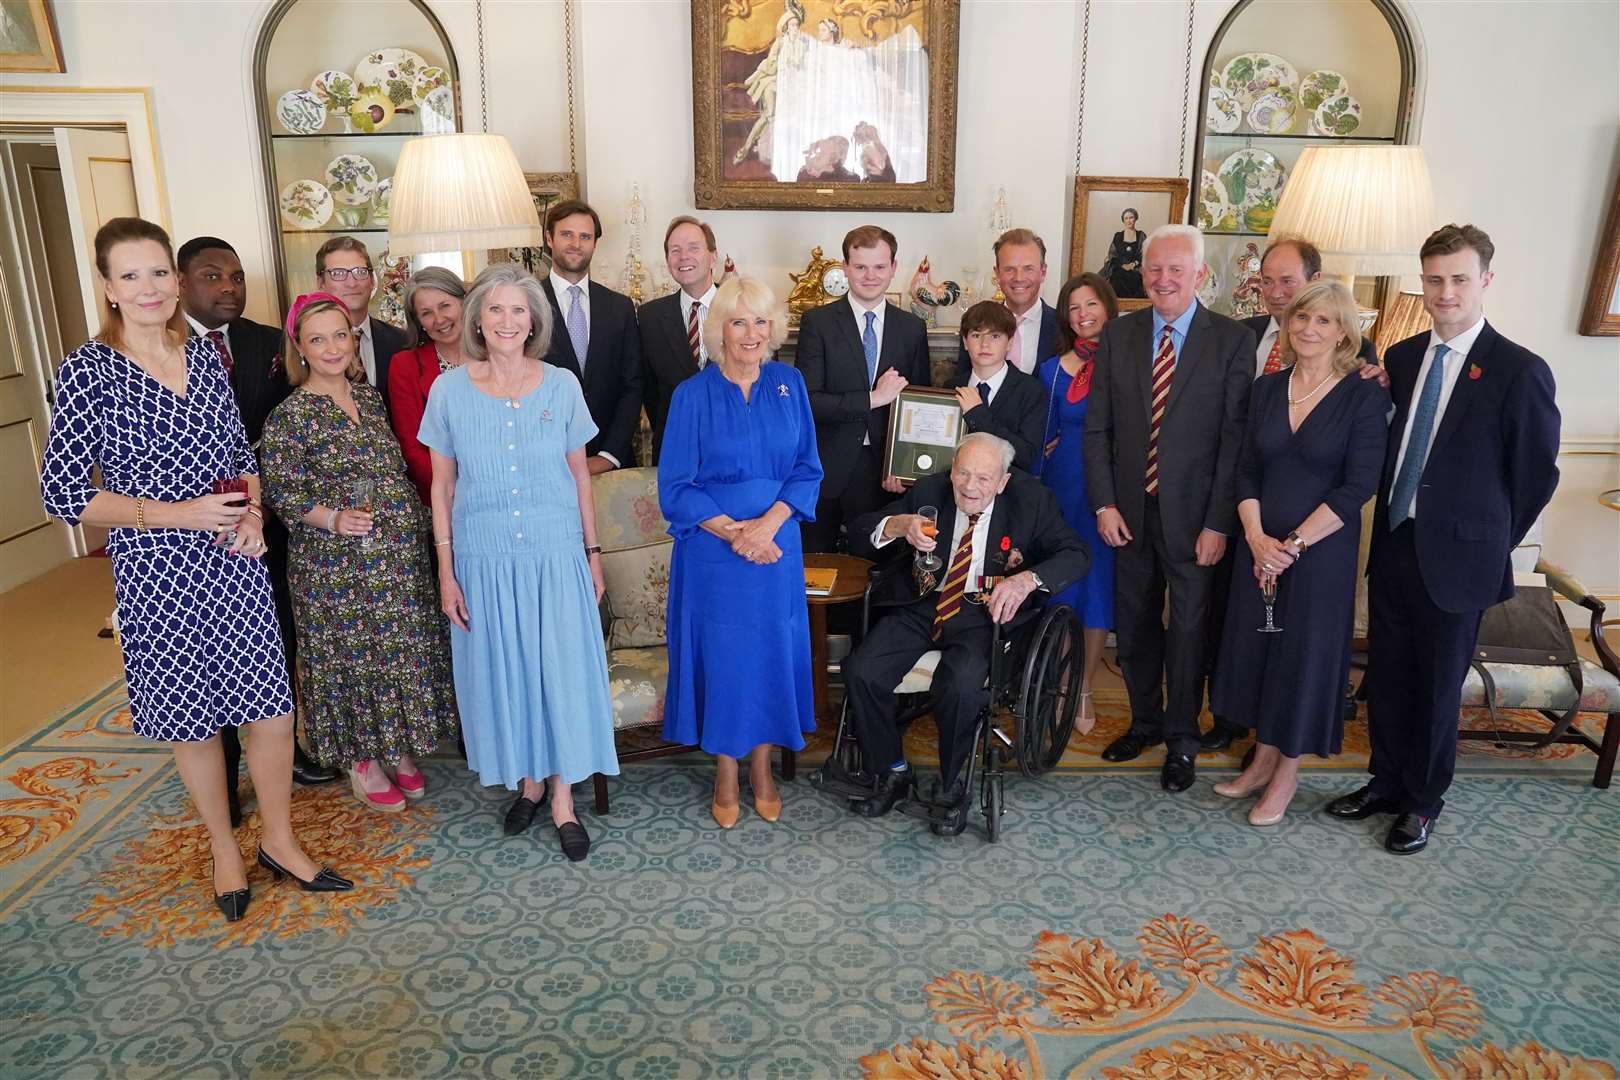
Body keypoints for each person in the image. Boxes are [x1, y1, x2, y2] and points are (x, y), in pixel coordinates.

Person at [40, 217, 349, 922]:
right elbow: (63, 493)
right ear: (109, 288)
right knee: (194, 719)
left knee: (271, 711)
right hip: (156, 572)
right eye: (131, 276)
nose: (149, 288)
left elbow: (241, 454)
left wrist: (251, 513)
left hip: (233, 562)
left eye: (158, 272)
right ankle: (224, 848)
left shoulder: (203, 355)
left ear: (175, 281)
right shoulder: (87, 370)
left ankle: (279, 839)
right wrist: (174, 514)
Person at [1327, 224, 1560, 855]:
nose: (1445, 292)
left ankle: (1423, 802)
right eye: (1434, 280)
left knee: (1436, 686)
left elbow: (1536, 476)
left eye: (1459, 279)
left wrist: (1488, 541)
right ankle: (1385, 781)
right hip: (1397, 543)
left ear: (1485, 279)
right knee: (1391, 673)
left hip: (1461, 559)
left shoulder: (1519, 370)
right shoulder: (1400, 359)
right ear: (1422, 283)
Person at [417, 263, 618, 862]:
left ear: (534, 321)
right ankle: (528, 781)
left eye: (519, 311)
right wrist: (446, 571)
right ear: (478, 318)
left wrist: (593, 552)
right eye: (496, 310)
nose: (508, 321)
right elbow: (442, 488)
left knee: (557, 670)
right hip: (484, 559)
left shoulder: (560, 384)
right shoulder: (448, 390)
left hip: (555, 556)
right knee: (509, 673)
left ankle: (561, 798)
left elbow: (580, 474)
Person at [260, 293, 459, 812]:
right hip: (335, 565)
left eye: (340, 335)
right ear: (300, 348)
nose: (331, 348)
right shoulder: (290, 415)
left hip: (396, 554)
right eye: (317, 339)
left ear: (354, 341)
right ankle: (360, 758)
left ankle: (395, 748)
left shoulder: (368, 399)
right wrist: (332, 518)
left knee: (400, 651)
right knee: (352, 658)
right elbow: (282, 492)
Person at [1207, 282, 1390, 825]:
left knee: (1303, 660)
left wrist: (1293, 545)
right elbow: (1245, 469)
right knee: (1261, 651)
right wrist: (1257, 537)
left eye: (1325, 322)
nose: (1309, 328)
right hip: (1259, 548)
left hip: (1319, 556)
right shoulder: (1267, 390)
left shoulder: (1362, 394)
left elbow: (1358, 487)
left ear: (1344, 334)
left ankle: (1287, 773)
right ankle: (1262, 758)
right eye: (1302, 317)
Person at [843, 434, 1090, 835]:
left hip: (985, 612)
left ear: (1003, 482)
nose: (970, 487)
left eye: (983, 479)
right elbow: (859, 532)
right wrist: (897, 524)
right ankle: (892, 770)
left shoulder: (1032, 502)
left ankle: (953, 781)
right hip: (925, 601)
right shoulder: (929, 490)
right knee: (861, 671)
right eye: (962, 474)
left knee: (960, 685)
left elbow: (1076, 554)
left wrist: (1027, 580)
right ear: (952, 469)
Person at [1083, 224, 1254, 794]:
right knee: (1133, 628)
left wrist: (1217, 523)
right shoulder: (1120, 336)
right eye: (1154, 268)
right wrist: (1104, 504)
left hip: (1195, 520)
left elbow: (1234, 442)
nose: (1162, 279)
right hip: (1128, 515)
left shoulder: (1230, 341)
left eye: (1175, 269)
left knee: (1187, 632)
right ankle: (1145, 723)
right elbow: (1098, 429)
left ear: (1200, 275)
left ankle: (1182, 740)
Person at [176, 236, 339, 814]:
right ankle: (222, 774)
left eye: (237, 276)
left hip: (264, 520)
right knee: (202, 657)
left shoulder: (270, 344)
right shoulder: (160, 349)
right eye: (212, 276)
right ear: (180, 282)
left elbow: (291, 432)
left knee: (275, 640)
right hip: (183, 533)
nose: (228, 287)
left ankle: (286, 750)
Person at [660, 277, 823, 829]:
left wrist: (767, 528)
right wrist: (737, 534)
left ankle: (763, 768)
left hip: (776, 549)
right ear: (718, 331)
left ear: (772, 329)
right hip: (714, 553)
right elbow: (676, 487)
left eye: (760, 322)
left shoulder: (790, 383)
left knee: (771, 656)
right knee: (726, 662)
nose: (751, 334)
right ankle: (726, 772)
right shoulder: (691, 395)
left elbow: (806, 468)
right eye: (738, 322)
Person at [798, 225, 931, 553]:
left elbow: (920, 405)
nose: (870, 276)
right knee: (818, 567)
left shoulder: (912, 329)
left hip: (885, 475)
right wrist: (874, 399)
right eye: (860, 267)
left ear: (893, 269)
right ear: (845, 268)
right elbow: (809, 403)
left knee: (876, 568)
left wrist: (905, 467)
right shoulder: (818, 323)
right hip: (826, 467)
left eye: (879, 267)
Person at [1032, 273, 1118, 733]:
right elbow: (1043, 433)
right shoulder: (1050, 369)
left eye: (1091, 305)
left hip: (1109, 490)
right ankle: (1058, 679)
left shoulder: (1130, 361)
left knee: (1099, 586)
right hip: (1061, 484)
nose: (1083, 315)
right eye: (1074, 308)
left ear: (1107, 306)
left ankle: (1084, 685)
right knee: (1062, 582)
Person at [537, 199, 645, 472]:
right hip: (547, 462)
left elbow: (632, 386)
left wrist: (609, 455)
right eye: (566, 234)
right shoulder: (527, 303)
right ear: (549, 238)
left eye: (585, 236)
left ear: (594, 244)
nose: (576, 243)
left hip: (613, 462)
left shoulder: (619, 307)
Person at [639, 215, 717, 464]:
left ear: (713, 256)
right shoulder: (650, 316)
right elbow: (648, 389)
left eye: (694, 248)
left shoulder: (742, 308)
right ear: (668, 260)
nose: (684, 256)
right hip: (674, 451)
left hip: (735, 454)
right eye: (675, 250)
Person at [388, 267, 469, 504]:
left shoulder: (495, 354)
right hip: (443, 498)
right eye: (426, 313)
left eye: (445, 306)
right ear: (418, 322)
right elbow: (412, 448)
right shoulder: (405, 365)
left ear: (464, 303)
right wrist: (458, 489)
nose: (439, 320)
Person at [314, 236, 410, 419]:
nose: (352, 282)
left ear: (372, 280)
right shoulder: (308, 349)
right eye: (338, 273)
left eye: (360, 271)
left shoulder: (401, 342)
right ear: (321, 283)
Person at [950, 301, 1047, 472]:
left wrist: (977, 414)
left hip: (1010, 492)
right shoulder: (951, 386)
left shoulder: (1031, 390)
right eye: (976, 335)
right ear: (965, 342)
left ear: (1009, 343)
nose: (984, 344)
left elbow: (1026, 456)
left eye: (995, 336)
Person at [953, 228, 1058, 380]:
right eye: (1009, 269)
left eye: (1028, 269)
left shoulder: (1063, 326)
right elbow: (964, 382)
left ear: (1043, 272)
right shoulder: (975, 324)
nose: (1019, 278)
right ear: (997, 274)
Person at [1101, 208, 1146, 300]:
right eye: (1126, 218)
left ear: (1135, 219)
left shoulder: (1141, 235)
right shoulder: (1118, 236)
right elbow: (1112, 255)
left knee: (1136, 278)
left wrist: (1133, 264)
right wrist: (1122, 265)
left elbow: (1144, 253)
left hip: (1136, 268)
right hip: (1119, 267)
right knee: (1116, 276)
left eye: (1131, 217)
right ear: (1123, 220)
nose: (1129, 221)